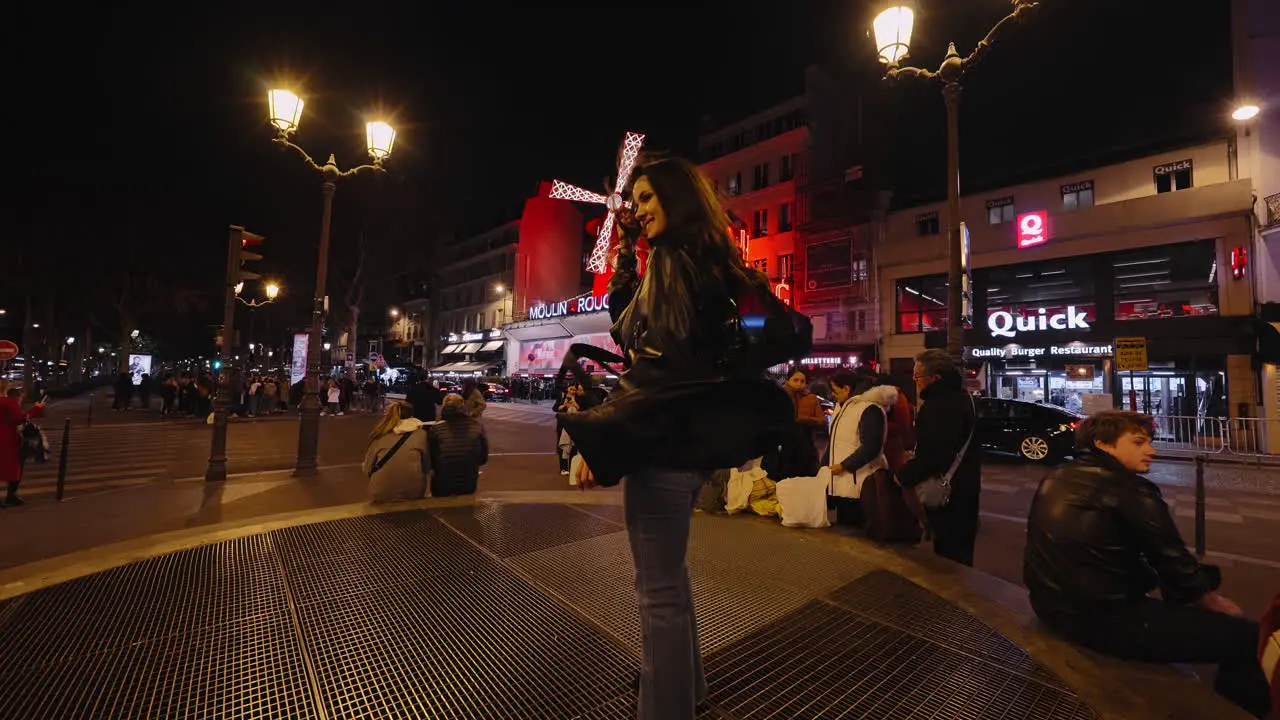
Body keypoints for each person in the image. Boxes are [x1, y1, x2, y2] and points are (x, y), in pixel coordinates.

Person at [570, 156, 795, 720]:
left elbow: (650, 364)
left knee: (658, 593)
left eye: (647, 198)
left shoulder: (672, 262)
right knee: (671, 580)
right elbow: (630, 327)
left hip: (660, 446)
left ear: (676, 197)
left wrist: (601, 438)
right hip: (691, 448)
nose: (638, 210)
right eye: (636, 200)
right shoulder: (706, 262)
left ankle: (666, 709)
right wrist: (627, 251)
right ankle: (687, 691)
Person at [1024, 410, 1271, 718]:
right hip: (1102, 619)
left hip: (1048, 604)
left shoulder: (1057, 475)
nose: (1151, 450)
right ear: (1103, 444)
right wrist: (1212, 600)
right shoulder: (1130, 489)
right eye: (1138, 442)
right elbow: (1171, 559)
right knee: (1247, 638)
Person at [896, 349, 981, 566]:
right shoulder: (964, 399)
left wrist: (904, 475)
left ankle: (955, 597)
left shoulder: (939, 407)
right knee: (960, 551)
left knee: (949, 555)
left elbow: (934, 454)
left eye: (918, 376)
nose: (915, 381)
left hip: (949, 492)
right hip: (965, 486)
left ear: (935, 378)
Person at [361, 400, 431, 502]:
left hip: (381, 492)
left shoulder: (380, 435)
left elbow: (367, 469)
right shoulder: (421, 434)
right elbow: (427, 467)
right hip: (414, 491)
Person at [428, 394, 488, 496]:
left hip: (442, 484)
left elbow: (430, 461)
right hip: (468, 483)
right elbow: (483, 458)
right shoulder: (476, 427)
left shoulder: (436, 429)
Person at [0, 381, 46, 507]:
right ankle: (11, 496)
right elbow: (19, 419)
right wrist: (36, 408)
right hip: (7, 439)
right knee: (16, 468)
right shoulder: (9, 402)